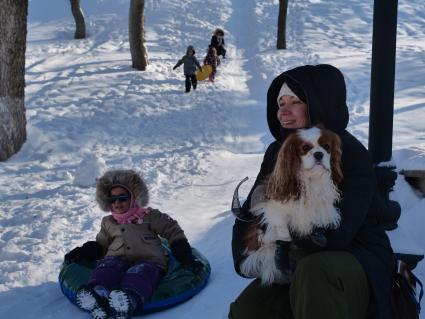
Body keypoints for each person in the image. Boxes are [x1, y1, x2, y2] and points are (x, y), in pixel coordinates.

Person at [229, 64, 396, 319]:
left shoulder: (348, 152)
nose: (283, 110)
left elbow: (335, 236)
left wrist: (283, 228)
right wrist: (246, 255)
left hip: (356, 257)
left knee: (314, 270)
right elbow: (251, 212)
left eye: (294, 101)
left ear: (319, 102)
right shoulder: (277, 151)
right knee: (249, 308)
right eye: (280, 102)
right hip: (295, 260)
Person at [64, 169, 202, 319]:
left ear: (134, 197)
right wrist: (83, 252)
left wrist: (184, 255)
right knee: (106, 268)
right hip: (116, 258)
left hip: (148, 260)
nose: (117, 203)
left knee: (140, 274)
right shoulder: (108, 222)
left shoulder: (150, 216)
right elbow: (101, 244)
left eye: (122, 198)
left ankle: (127, 299)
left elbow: (172, 231)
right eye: (112, 199)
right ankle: (98, 295)